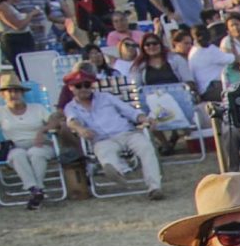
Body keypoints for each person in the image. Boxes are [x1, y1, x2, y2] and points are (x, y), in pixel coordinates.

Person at [60, 72, 166, 200]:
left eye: (87, 85)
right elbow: (72, 121)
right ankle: (115, 171)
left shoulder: (106, 97)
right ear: (71, 88)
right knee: (105, 153)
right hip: (101, 139)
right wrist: (81, 129)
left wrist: (144, 119)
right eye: (78, 86)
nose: (83, 89)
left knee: (146, 147)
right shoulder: (71, 107)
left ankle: (154, 188)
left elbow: (130, 111)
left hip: (126, 132)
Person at [0, 72, 64, 208]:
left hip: (40, 144)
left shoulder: (37, 108)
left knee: (35, 153)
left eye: (16, 91)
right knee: (17, 154)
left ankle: (36, 191)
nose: (13, 94)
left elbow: (55, 123)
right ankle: (35, 189)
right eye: (9, 91)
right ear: (2, 95)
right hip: (15, 146)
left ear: (22, 93)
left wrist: (42, 130)